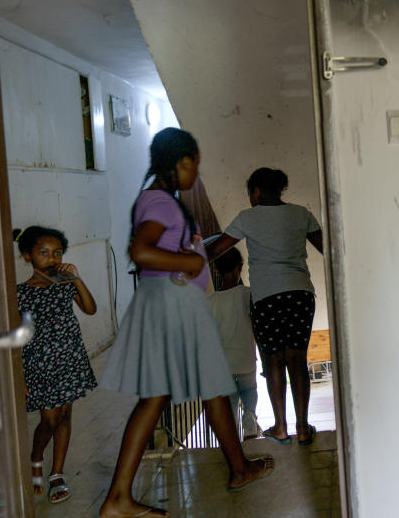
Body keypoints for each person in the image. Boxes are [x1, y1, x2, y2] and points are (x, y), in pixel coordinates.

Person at [98, 128, 273, 518]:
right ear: (178, 163)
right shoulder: (160, 202)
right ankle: (119, 498)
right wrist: (192, 262)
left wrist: (192, 255)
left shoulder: (158, 199)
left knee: (198, 390)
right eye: (193, 164)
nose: (196, 172)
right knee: (197, 389)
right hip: (175, 307)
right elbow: (141, 251)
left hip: (171, 305)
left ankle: (122, 497)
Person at [208, 167, 323, 446]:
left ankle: (281, 427)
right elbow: (328, 248)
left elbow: (216, 250)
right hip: (299, 294)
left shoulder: (247, 218)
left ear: (256, 192)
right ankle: (304, 428)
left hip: (267, 298)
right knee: (297, 359)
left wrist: (185, 258)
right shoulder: (301, 214)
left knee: (273, 360)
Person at [14, 225, 97, 504]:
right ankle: (36, 457)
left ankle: (56, 474)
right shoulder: (19, 294)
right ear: (28, 257)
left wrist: (76, 279)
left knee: (64, 416)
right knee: (48, 420)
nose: (51, 258)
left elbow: (90, 308)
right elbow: (16, 338)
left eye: (57, 253)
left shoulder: (64, 285)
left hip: (69, 359)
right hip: (39, 365)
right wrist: (19, 375)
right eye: (43, 253)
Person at [206, 247, 260, 439]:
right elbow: (257, 328)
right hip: (245, 359)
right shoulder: (248, 295)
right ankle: (250, 416)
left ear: (216, 271)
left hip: (223, 364)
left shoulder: (210, 301)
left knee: (229, 402)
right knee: (250, 391)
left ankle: (233, 433)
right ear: (240, 267)